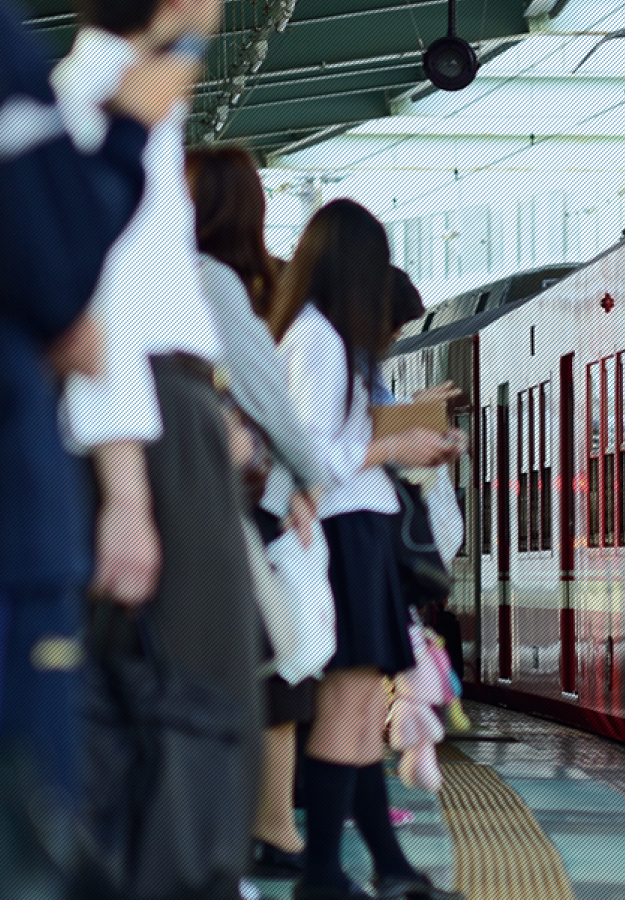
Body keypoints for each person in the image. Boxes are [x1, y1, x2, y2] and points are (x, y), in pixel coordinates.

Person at [55, 1, 266, 898]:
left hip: (167, 410)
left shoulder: (121, 96)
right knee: (189, 695)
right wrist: (131, 492)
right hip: (142, 424)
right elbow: (95, 304)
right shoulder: (106, 100)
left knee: (184, 695)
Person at [0, 4, 199, 895]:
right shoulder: (73, 83)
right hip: (20, 498)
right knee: (33, 804)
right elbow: (63, 278)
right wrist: (129, 131)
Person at [266, 198, 463, 900]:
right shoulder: (316, 340)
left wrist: (410, 436)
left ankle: (385, 868)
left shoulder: (321, 338)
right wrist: (396, 445)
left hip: (359, 534)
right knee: (346, 713)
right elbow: (312, 451)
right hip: (347, 536)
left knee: (353, 718)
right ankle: (330, 872)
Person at [185, 144, 327, 881]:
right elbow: (266, 393)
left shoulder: (194, 279)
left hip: (213, 498)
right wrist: (312, 476)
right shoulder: (219, 282)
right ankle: (261, 830)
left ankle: (251, 828)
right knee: (267, 662)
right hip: (233, 503)